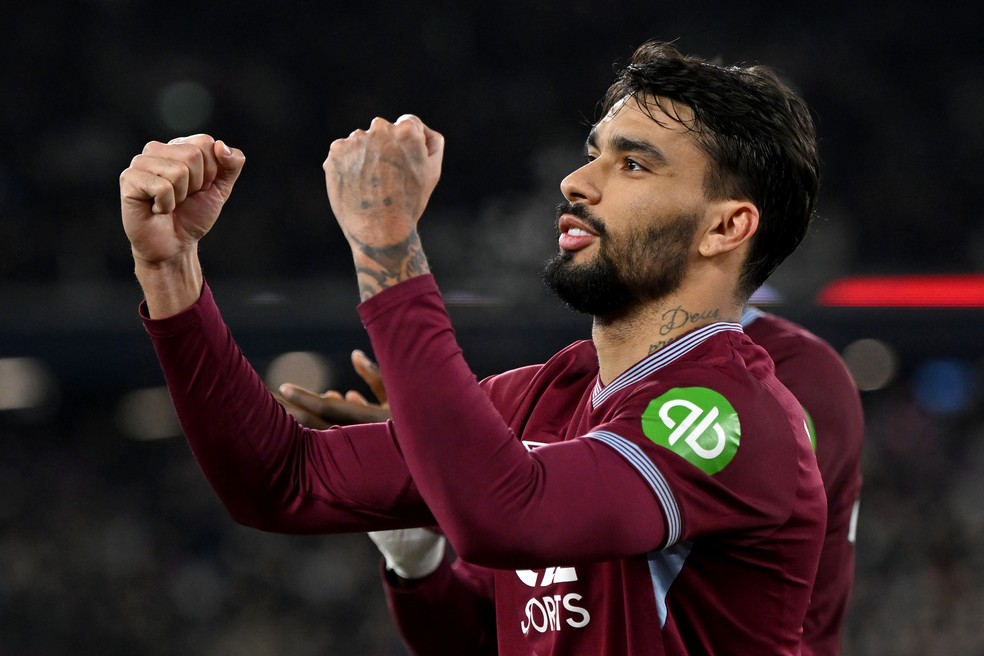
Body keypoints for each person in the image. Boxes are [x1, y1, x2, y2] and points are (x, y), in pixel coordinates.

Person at [120, 40, 826, 654]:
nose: (576, 182)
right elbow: (279, 483)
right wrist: (170, 269)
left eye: (634, 165)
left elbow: (509, 515)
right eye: (594, 154)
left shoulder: (732, 417)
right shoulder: (536, 399)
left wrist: (387, 241)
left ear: (726, 228)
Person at [283, 303, 865, 655]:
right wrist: (416, 560)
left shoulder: (792, 377)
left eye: (635, 167)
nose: (579, 188)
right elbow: (484, 636)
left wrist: (454, 461)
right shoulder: (581, 388)